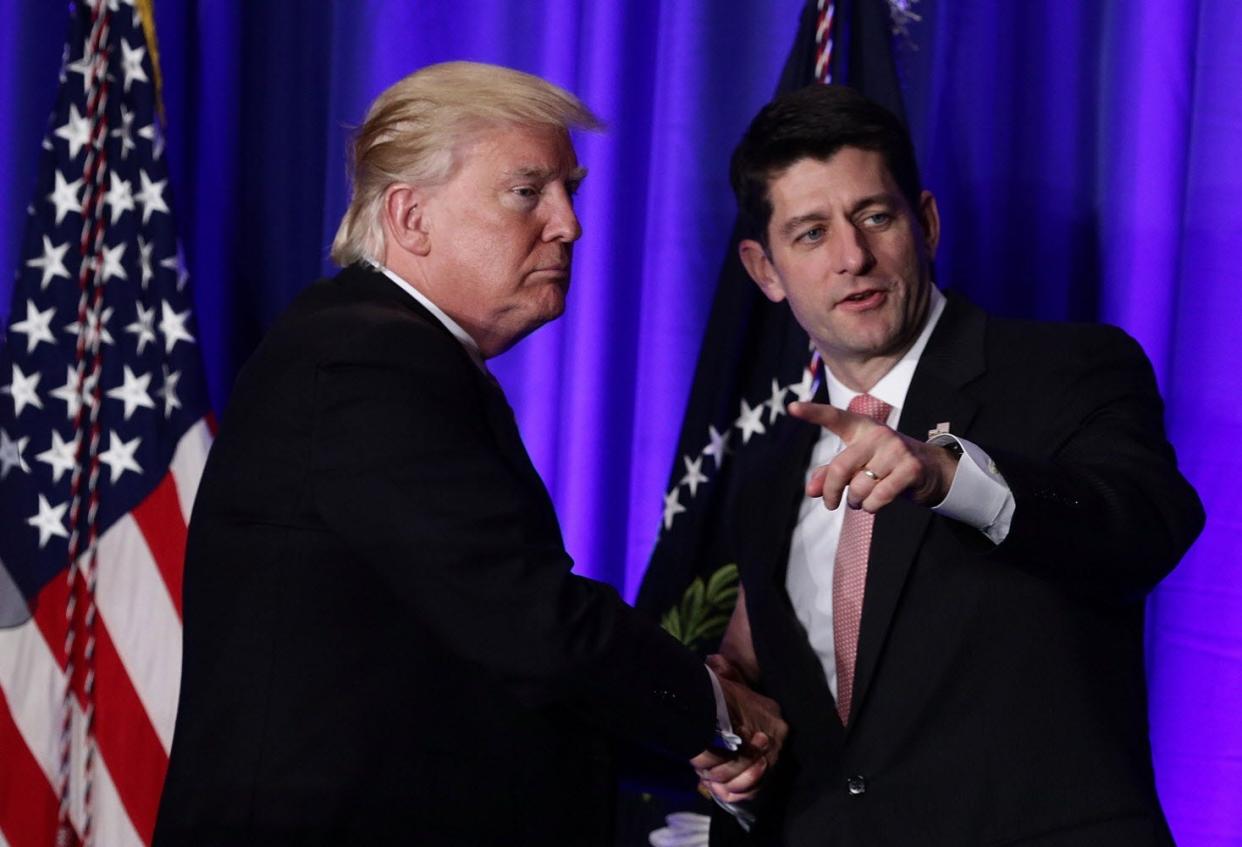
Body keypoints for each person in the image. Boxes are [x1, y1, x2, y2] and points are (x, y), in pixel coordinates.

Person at [153, 61, 785, 847]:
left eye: (569, 190)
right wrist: (714, 711)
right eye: (528, 192)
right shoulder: (365, 362)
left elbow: (479, 663)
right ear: (411, 217)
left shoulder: (383, 349)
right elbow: (528, 619)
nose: (569, 224)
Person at [697, 84, 1204, 846]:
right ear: (764, 270)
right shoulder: (768, 466)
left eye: (874, 215)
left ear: (925, 222)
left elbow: (1147, 526)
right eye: (809, 233)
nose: (851, 256)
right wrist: (743, 758)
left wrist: (949, 476)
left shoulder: (1067, 369)